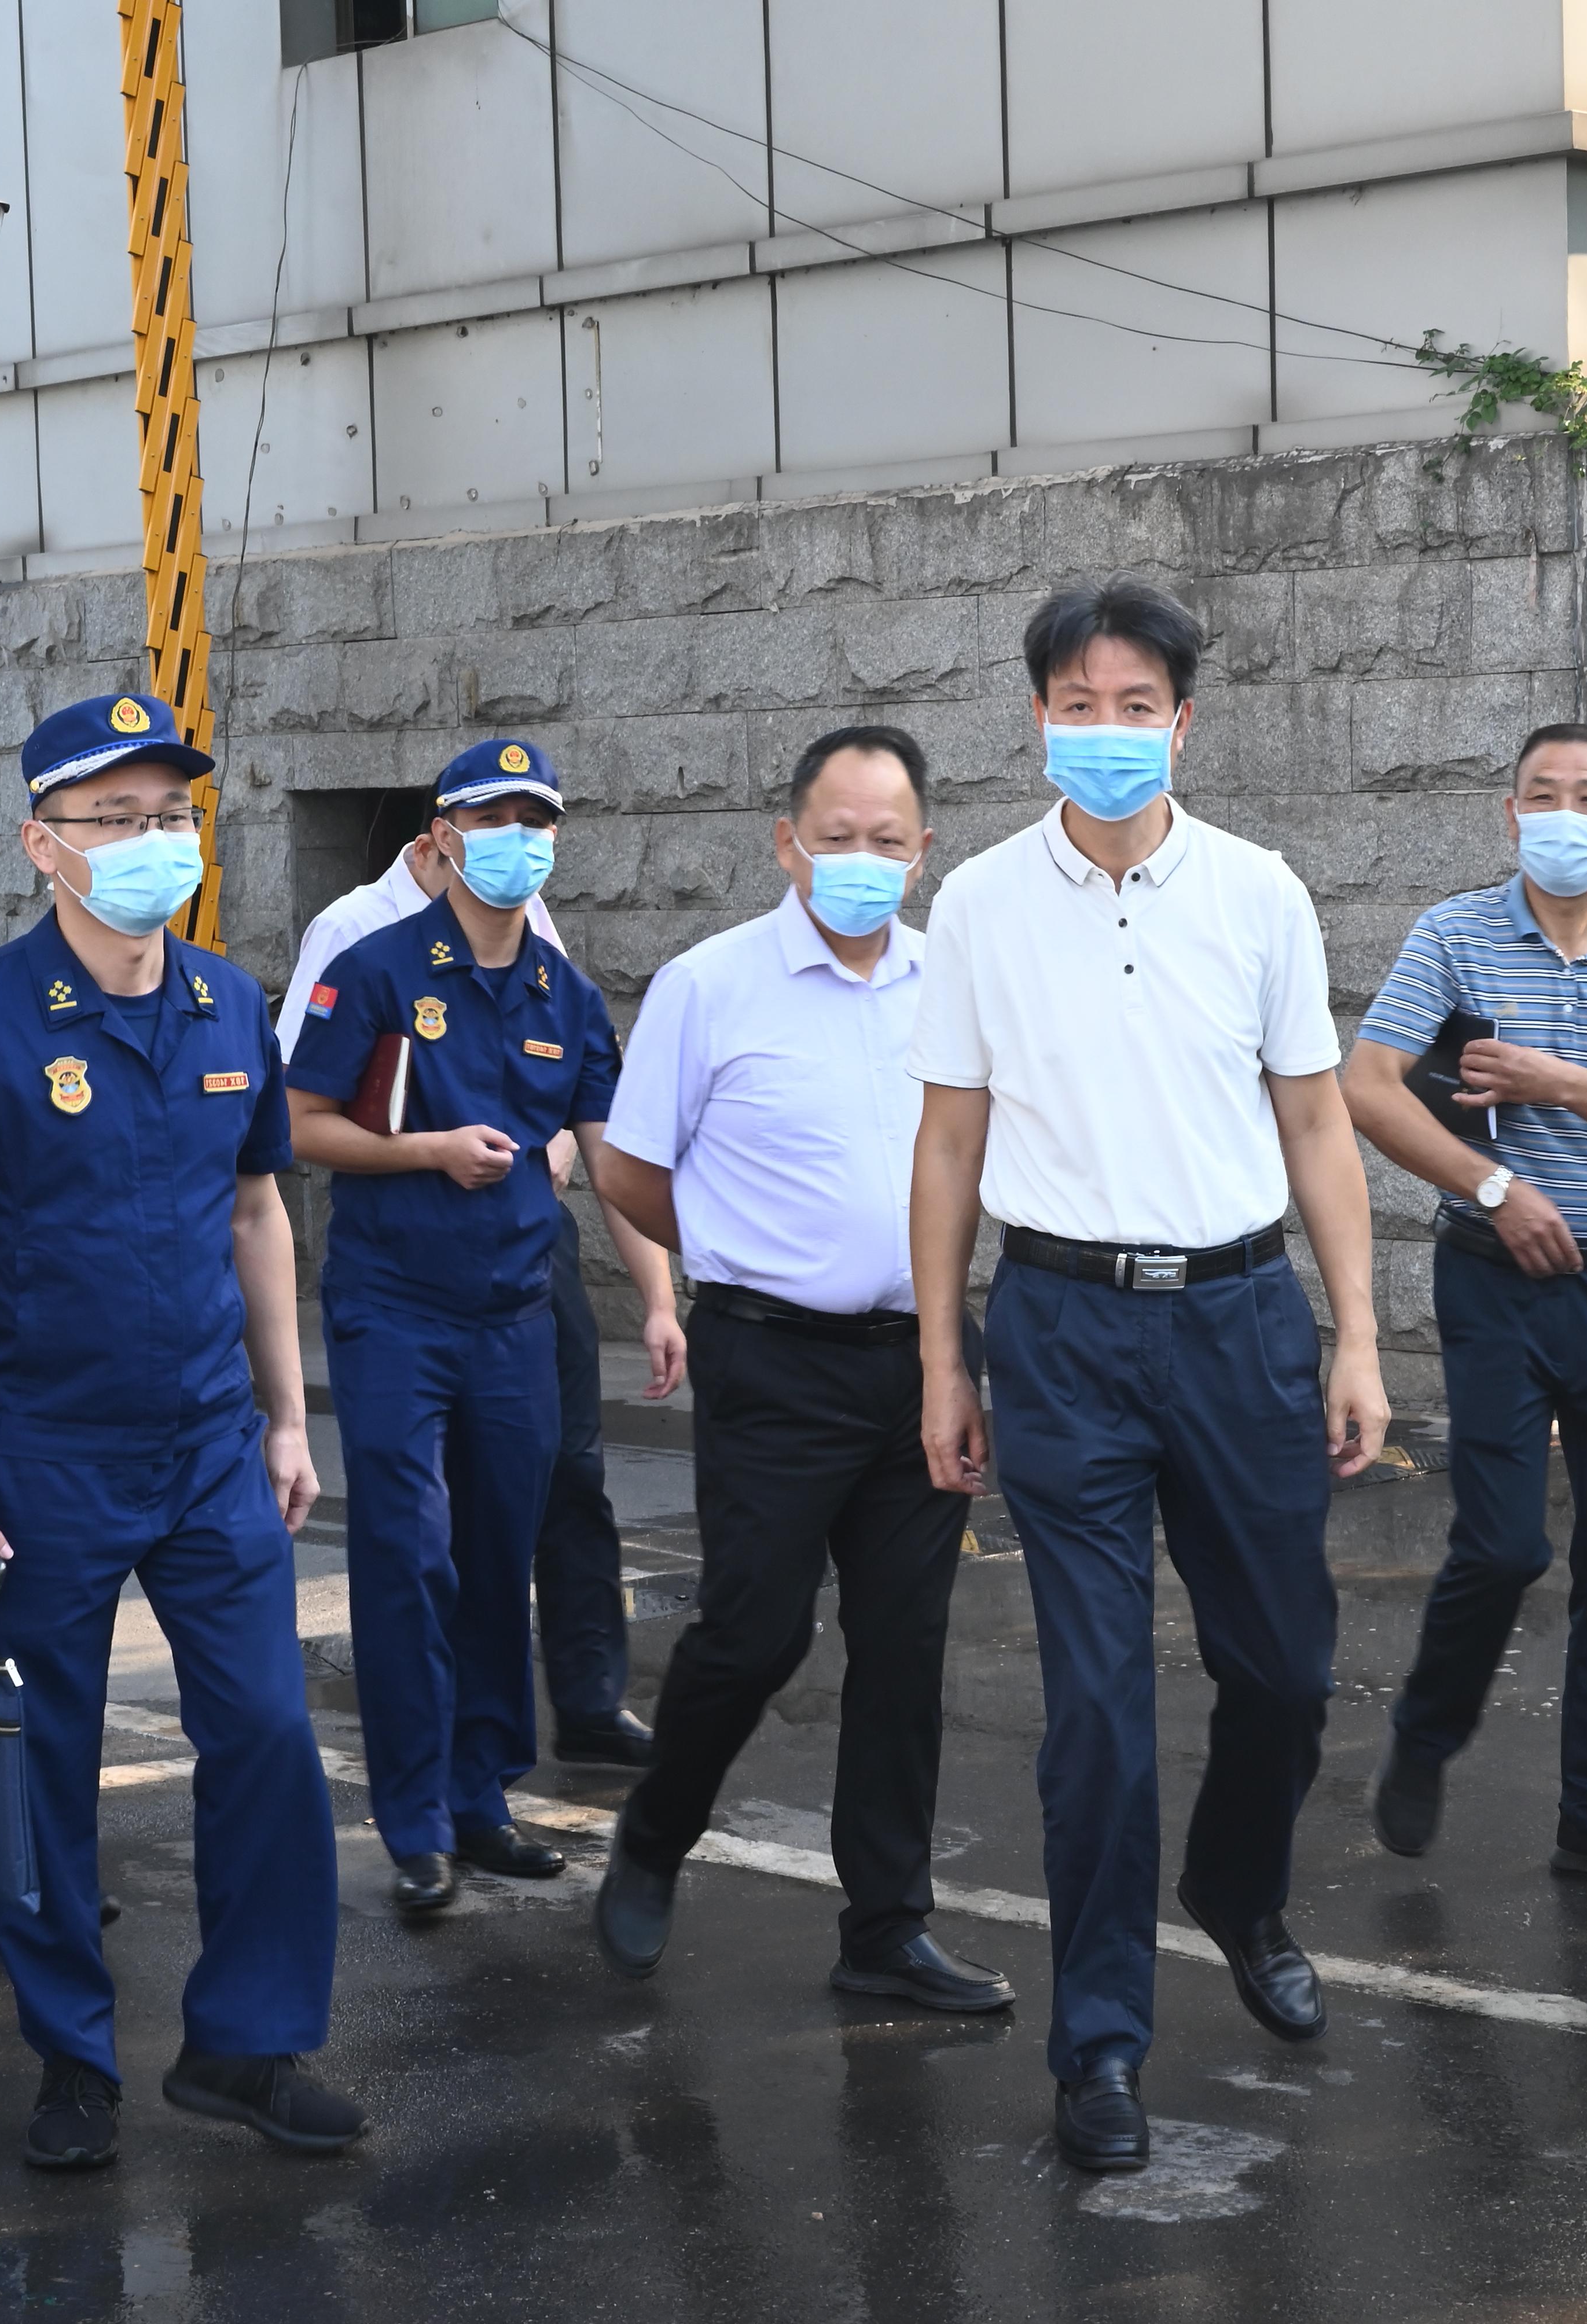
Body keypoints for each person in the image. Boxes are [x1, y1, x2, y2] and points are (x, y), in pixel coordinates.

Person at [909, 579, 1389, 2176]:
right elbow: (950, 1144)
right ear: (1036, 718)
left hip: (1241, 1322)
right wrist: (943, 1360)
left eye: (1134, 706)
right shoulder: (979, 903)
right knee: (1098, 1715)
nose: (1103, 731)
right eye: (1076, 705)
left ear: (1183, 723)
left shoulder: (1259, 892)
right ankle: (1100, 2043)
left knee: (1286, 1673)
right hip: (1061, 1332)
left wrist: (1356, 1334)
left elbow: (1316, 1122)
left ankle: (1237, 1891)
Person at [0, 690, 359, 2169]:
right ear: (43, 845)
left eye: (171, 815)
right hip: (38, 1456)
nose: (156, 841)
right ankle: (71, 2060)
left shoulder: (226, 1002)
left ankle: (247, 2042)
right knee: (45, 1762)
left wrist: (289, 1417)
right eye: (117, 817)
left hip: (208, 1446)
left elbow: (258, 1211)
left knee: (267, 1734)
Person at [587, 725, 1011, 2015]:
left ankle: (885, 1928)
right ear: (787, 843)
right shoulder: (709, 985)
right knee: (755, 1630)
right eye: (836, 837)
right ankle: (656, 1831)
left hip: (923, 1358)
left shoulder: (956, 985)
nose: (861, 859)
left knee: (904, 1648)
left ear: (923, 852)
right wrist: (736, 1249)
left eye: (888, 839)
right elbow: (627, 1167)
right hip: (771, 1360)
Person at [1341, 723, 1587, 1896]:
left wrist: (1558, 1082)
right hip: (1492, 1280)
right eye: (1541, 795)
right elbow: (1366, 1087)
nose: (1565, 815)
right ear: (1510, 814)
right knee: (1503, 1545)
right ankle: (1426, 1730)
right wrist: (1493, 1188)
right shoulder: (1454, 936)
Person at [284, 740, 639, 1917]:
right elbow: (299, 1124)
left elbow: (613, 1158)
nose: (516, 844)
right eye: (492, 821)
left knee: (497, 1554)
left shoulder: (562, 992)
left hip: (513, 1314)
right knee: (407, 1556)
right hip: (394, 1307)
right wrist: (428, 1151)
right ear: (442, 838)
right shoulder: (374, 967)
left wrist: (673, 1289)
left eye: (536, 822)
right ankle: (415, 1821)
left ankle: (481, 1796)